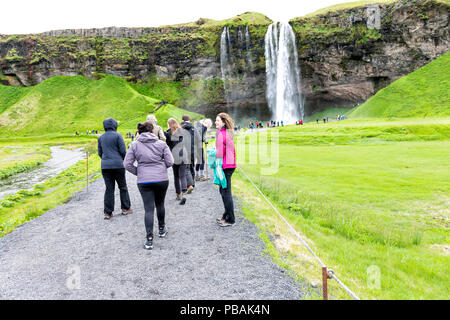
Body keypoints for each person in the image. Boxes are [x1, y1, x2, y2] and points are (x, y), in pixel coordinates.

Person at [123, 121, 174, 250]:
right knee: (160, 204)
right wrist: (161, 168)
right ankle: (162, 229)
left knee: (149, 209)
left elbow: (127, 164)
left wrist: (139, 172)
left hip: (144, 181)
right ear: (152, 131)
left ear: (139, 132)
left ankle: (149, 239)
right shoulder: (161, 144)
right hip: (161, 179)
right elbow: (170, 161)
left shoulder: (134, 145)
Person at [98, 118, 133, 219]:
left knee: (109, 188)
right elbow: (123, 150)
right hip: (118, 165)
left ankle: (108, 213)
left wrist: (106, 159)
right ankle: (126, 208)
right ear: (114, 125)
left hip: (105, 166)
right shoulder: (118, 135)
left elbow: (100, 153)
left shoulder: (101, 137)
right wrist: (123, 160)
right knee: (122, 186)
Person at [215, 112, 237, 227]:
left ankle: (230, 219)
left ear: (223, 122)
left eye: (218, 120)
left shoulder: (222, 133)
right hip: (228, 164)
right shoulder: (226, 132)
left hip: (226, 166)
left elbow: (219, 152)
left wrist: (212, 155)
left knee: (226, 192)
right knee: (223, 191)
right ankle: (226, 214)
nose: (215, 122)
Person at [165, 118, 189, 205]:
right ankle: (184, 193)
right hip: (183, 154)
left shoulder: (168, 134)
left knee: (176, 176)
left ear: (169, 124)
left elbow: (167, 144)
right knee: (182, 175)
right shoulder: (182, 131)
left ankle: (178, 194)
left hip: (174, 155)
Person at [180, 115, 200, 193]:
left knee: (185, 168)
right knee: (192, 166)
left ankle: (188, 184)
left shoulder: (180, 128)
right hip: (192, 150)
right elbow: (198, 139)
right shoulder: (193, 128)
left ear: (182, 120)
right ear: (189, 120)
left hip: (183, 150)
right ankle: (193, 183)